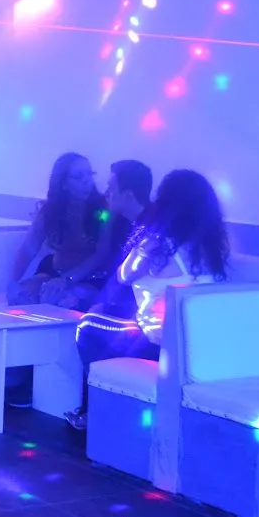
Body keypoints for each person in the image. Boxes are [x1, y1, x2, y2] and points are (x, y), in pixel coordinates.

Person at [64, 169, 230, 430]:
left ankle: (96, 411)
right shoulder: (211, 251)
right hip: (198, 348)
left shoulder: (157, 246)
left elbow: (123, 275)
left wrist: (142, 243)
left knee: (88, 325)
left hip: (158, 346)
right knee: (118, 318)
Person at [41, 159, 152, 311]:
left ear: (127, 195)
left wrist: (99, 303)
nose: (105, 193)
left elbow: (121, 274)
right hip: (110, 292)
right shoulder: (112, 217)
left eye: (111, 189)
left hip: (135, 303)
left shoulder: (151, 230)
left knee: (74, 297)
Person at [8, 152, 108, 306]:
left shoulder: (102, 211)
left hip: (90, 277)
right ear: (63, 184)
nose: (87, 181)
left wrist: (67, 279)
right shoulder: (50, 212)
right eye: (78, 177)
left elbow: (101, 254)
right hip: (54, 271)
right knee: (22, 296)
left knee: (67, 299)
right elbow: (28, 250)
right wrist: (13, 282)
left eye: (90, 174)